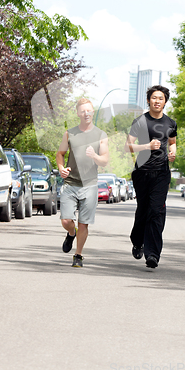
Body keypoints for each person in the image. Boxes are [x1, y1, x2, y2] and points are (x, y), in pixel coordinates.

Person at [125, 85, 177, 268]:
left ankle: (153, 254)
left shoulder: (170, 123)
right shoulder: (140, 121)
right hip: (142, 172)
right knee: (143, 210)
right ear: (148, 100)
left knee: (156, 211)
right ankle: (137, 241)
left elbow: (172, 143)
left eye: (160, 98)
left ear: (165, 101)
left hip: (162, 172)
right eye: (154, 98)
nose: (157, 101)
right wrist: (147, 146)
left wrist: (172, 153)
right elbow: (128, 146)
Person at [56, 98, 109, 267]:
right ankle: (71, 233)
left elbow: (105, 160)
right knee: (66, 220)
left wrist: (94, 156)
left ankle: (78, 255)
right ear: (78, 113)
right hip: (70, 183)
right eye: (82, 111)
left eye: (89, 110)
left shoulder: (101, 135)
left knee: (83, 222)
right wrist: (61, 168)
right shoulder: (69, 133)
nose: (86, 113)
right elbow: (60, 154)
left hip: (90, 185)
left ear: (93, 112)